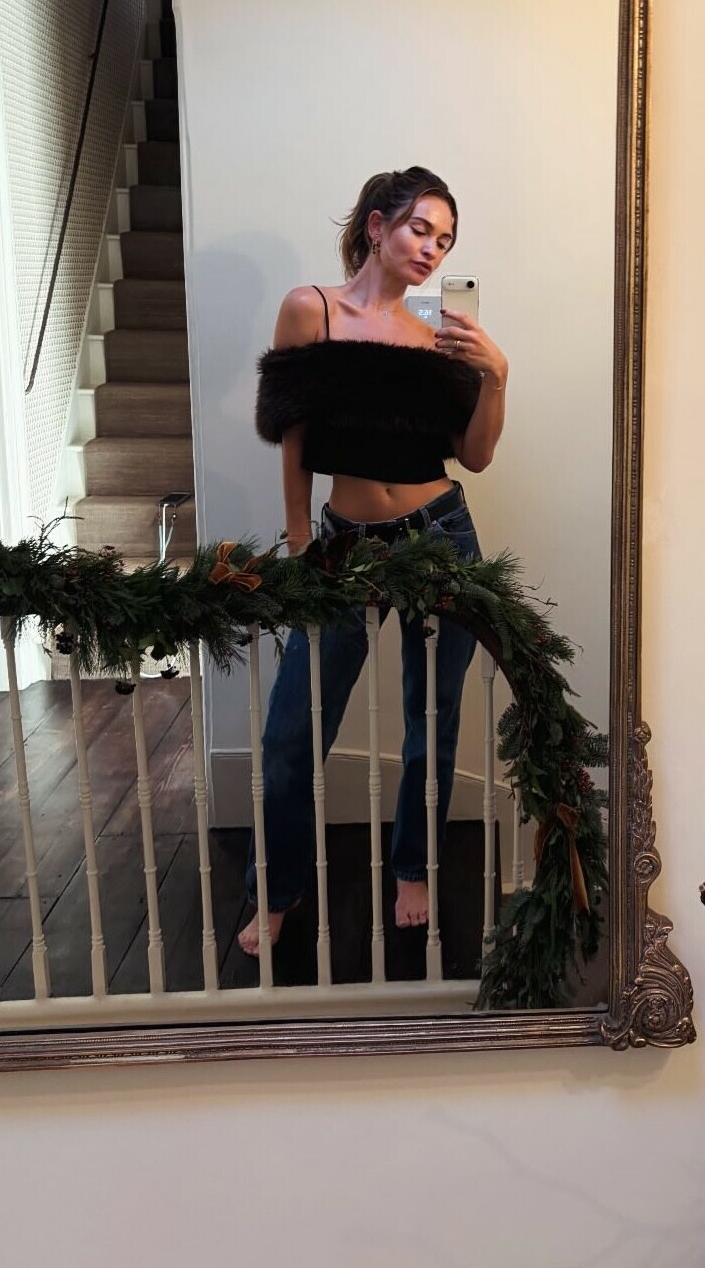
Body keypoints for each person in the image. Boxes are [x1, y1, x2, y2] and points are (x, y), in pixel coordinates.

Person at [239, 167, 508, 954]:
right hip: (344, 544)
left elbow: (474, 455)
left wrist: (496, 375)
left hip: (440, 532)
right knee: (292, 731)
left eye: (445, 240)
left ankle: (414, 867)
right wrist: (299, 542)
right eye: (421, 229)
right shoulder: (311, 310)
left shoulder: (438, 328)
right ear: (377, 225)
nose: (432, 249)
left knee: (434, 714)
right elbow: (292, 436)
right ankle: (278, 889)